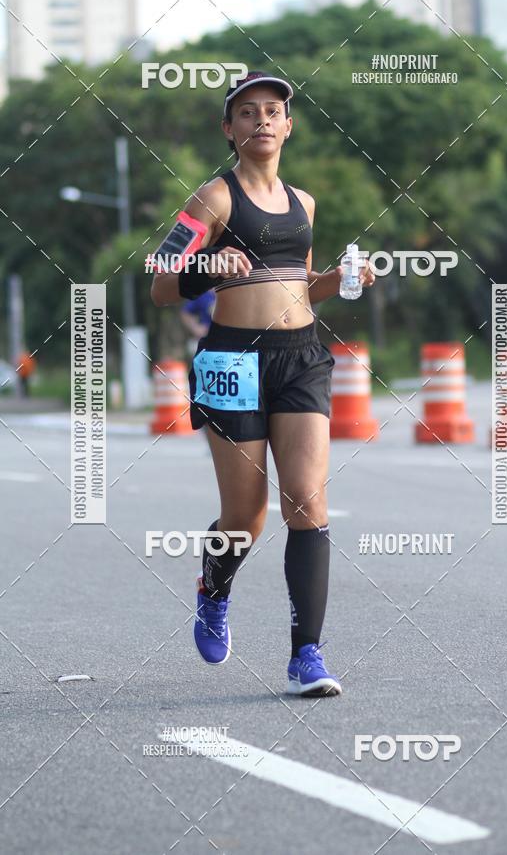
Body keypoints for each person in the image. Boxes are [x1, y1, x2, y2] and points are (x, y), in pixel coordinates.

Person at [151, 70, 375, 696]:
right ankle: (213, 592)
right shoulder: (212, 200)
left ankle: (308, 655)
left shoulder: (304, 204)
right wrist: (203, 266)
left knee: (307, 501)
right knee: (245, 514)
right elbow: (161, 284)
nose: (262, 121)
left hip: (300, 355)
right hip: (231, 361)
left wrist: (346, 279)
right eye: (247, 113)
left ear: (288, 124)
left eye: (273, 111)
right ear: (230, 129)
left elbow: (300, 286)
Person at [180, 289, 216, 357]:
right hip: (207, 342)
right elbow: (185, 313)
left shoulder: (232, 292)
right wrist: (196, 328)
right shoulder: (203, 294)